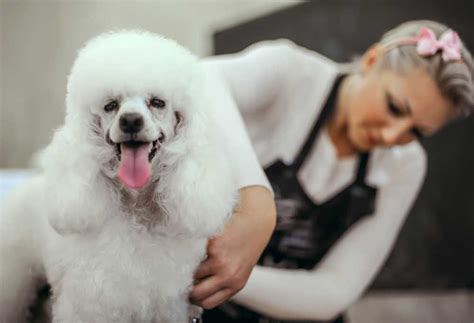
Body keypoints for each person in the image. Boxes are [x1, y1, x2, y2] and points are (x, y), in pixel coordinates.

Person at [191, 20, 474, 322]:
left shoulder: (406, 163)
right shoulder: (289, 73)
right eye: (394, 107)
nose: (393, 137)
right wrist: (256, 199)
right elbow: (200, 80)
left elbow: (334, 290)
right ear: (371, 60)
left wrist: (223, 271)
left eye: (416, 132)